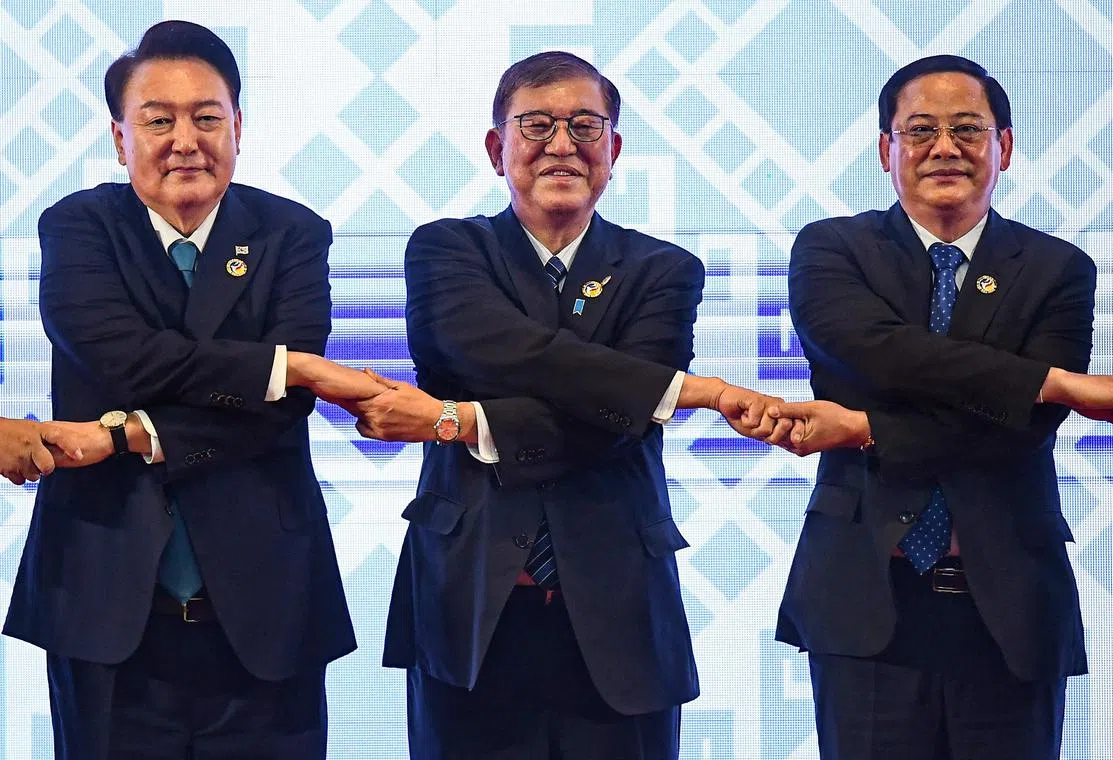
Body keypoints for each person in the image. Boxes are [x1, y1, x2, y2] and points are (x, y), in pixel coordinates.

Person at [309, 50, 781, 760]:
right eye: (536, 125)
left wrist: (457, 420)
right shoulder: (448, 249)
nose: (562, 144)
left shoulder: (663, 270)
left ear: (613, 149)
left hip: (619, 606)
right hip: (468, 602)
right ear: (497, 148)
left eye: (585, 126)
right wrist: (686, 391)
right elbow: (498, 351)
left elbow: (615, 427)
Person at [765, 54, 1113, 760]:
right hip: (864, 596)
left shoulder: (1057, 269)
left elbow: (1020, 429)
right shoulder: (833, 249)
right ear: (887, 149)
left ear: (1005, 146)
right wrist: (1055, 381)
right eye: (920, 130)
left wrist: (868, 428)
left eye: (968, 129)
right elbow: (877, 354)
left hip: (1012, 605)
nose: (945, 148)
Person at [3, 21, 355, 759]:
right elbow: (121, 359)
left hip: (268, 602)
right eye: (158, 121)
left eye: (207, 117)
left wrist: (126, 434)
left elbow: (284, 408)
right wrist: (279, 368)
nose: (185, 141)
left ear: (238, 128)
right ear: (119, 137)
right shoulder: (79, 227)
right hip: (105, 596)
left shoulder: (293, 233)